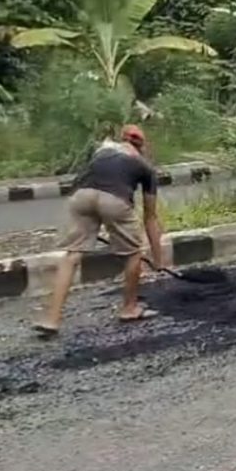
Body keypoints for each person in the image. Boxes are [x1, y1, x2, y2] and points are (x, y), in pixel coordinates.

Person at [32, 125, 164, 337]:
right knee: (133, 254)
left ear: (122, 141)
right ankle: (129, 308)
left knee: (72, 255)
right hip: (114, 199)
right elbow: (150, 217)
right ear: (142, 147)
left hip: (80, 197)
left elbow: (89, 178)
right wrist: (158, 261)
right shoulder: (145, 167)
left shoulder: (103, 151)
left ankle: (52, 318)